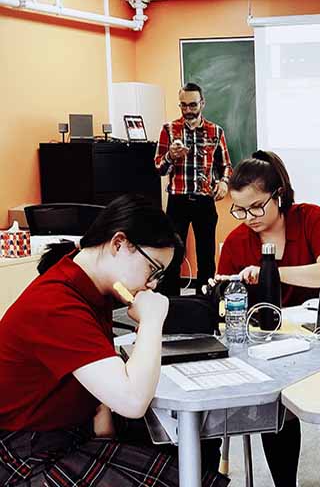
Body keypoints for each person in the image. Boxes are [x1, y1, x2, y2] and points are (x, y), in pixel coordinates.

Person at [0, 195, 227, 486]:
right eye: (153, 269)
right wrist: (152, 320)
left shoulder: (89, 284)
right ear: (119, 244)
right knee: (182, 467)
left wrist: (102, 417)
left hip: (67, 431)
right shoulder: (56, 303)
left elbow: (99, 378)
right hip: (28, 452)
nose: (153, 284)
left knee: (197, 447)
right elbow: (132, 401)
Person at [217, 150, 320, 487]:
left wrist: (272, 272)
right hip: (267, 352)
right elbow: (223, 304)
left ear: (279, 196)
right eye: (240, 209)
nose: (249, 217)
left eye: (257, 207)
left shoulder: (311, 218)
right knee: (276, 402)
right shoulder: (236, 242)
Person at [155, 82, 233, 295]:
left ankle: (205, 303)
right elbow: (159, 168)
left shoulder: (215, 131)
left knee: (206, 255)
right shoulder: (169, 130)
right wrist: (171, 156)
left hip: (204, 200)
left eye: (192, 105)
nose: (188, 110)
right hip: (177, 200)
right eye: (183, 105)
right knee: (173, 254)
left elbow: (225, 164)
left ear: (202, 104)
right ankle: (170, 304)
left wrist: (224, 182)